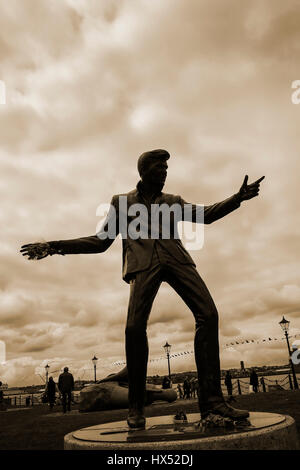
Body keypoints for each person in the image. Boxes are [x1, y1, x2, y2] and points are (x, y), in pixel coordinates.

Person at [20, 149, 264, 429]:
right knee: (134, 329)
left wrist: (237, 199)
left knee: (208, 315)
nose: (165, 172)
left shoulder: (173, 201)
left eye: (167, 169)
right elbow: (101, 242)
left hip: (177, 260)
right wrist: (54, 246)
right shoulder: (121, 203)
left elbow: (205, 215)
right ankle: (135, 407)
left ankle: (212, 403)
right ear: (144, 171)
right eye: (160, 168)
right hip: (143, 265)